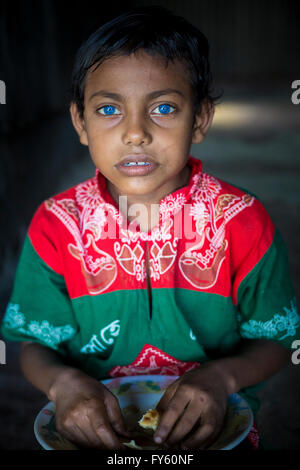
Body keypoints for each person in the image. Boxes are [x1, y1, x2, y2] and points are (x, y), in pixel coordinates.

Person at [1, 6, 299, 451]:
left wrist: (222, 378)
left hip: (214, 432)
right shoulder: (56, 225)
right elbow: (33, 346)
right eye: (108, 109)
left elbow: (278, 342)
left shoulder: (242, 221)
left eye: (163, 108)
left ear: (199, 118)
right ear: (80, 122)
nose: (136, 133)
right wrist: (63, 385)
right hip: (99, 437)